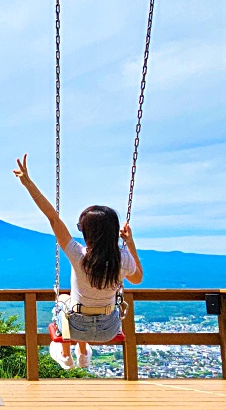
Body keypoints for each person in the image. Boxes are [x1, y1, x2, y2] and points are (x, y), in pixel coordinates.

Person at [13, 155, 143, 369]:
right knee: (81, 304)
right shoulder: (122, 258)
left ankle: (66, 354)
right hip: (108, 328)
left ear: (87, 232)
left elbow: (53, 218)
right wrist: (130, 244)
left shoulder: (79, 255)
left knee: (66, 301)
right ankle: (82, 351)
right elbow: (137, 279)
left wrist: (28, 183)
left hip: (76, 328)